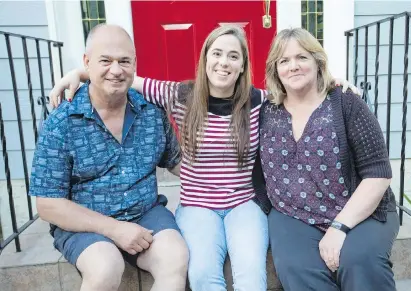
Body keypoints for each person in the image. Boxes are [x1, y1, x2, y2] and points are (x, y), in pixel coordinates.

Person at [48, 25, 358, 291]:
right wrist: (79, 73)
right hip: (197, 207)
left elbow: (298, 87)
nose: (224, 62)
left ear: (242, 66)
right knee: (202, 275)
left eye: (233, 56)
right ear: (205, 59)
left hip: (242, 205)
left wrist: (331, 83)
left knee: (251, 276)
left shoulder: (259, 101)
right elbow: (125, 76)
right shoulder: (179, 95)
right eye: (217, 54)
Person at [29, 24, 188, 291]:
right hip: (85, 222)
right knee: (105, 268)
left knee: (175, 257)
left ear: (135, 64)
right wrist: (115, 229)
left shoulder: (151, 112)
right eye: (106, 61)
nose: (116, 70)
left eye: (124, 61)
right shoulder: (62, 121)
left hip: (145, 213)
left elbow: (177, 163)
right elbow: (48, 204)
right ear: (87, 63)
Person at [255, 27, 399, 291]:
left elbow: (378, 173)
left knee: (360, 261)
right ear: (275, 70)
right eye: (283, 61)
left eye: (302, 57)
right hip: (293, 212)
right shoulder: (265, 109)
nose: (293, 66)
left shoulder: (345, 102)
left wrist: (339, 227)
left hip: (359, 209)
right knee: (297, 268)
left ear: (317, 61)